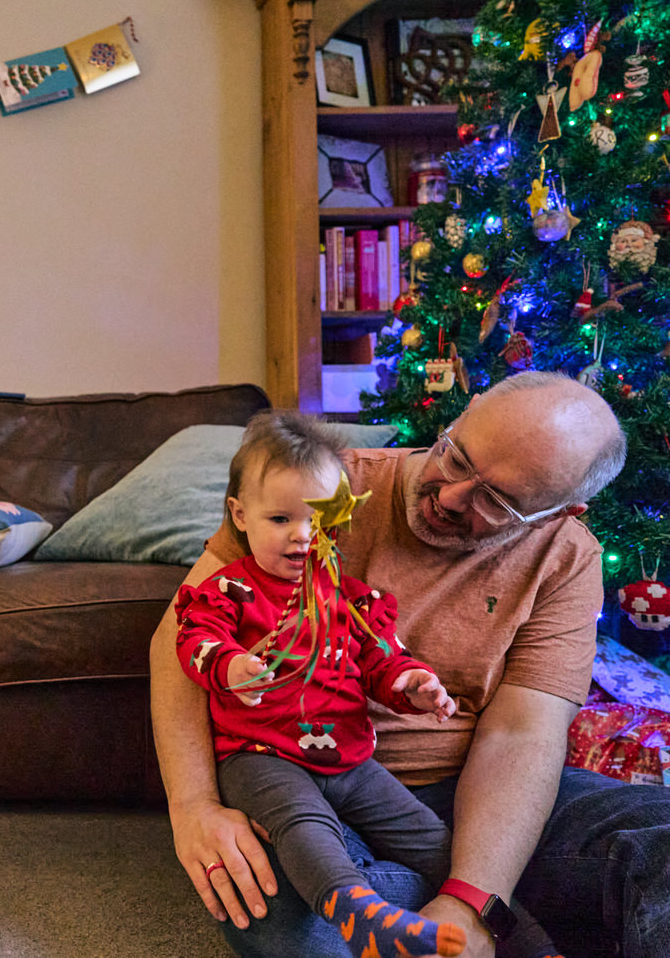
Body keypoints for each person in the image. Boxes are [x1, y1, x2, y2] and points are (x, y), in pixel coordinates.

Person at [151, 372, 670, 958]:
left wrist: (473, 890)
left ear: (559, 512)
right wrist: (193, 806)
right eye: (457, 455)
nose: (451, 495)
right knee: (274, 902)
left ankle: (464, 911)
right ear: (466, 411)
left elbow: (522, 735)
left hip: (480, 795)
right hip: (298, 774)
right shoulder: (318, 484)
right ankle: (463, 915)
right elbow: (182, 638)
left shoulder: (568, 558)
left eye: (496, 501)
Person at [175, 410, 467, 958]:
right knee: (305, 827)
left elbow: (384, 660)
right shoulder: (229, 589)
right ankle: (358, 912)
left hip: (350, 757)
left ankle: (519, 931)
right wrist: (231, 665)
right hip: (260, 754)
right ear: (240, 515)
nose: (302, 536)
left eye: (317, 520)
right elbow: (195, 637)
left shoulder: (348, 596)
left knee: (432, 838)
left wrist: (413, 682)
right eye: (281, 518)